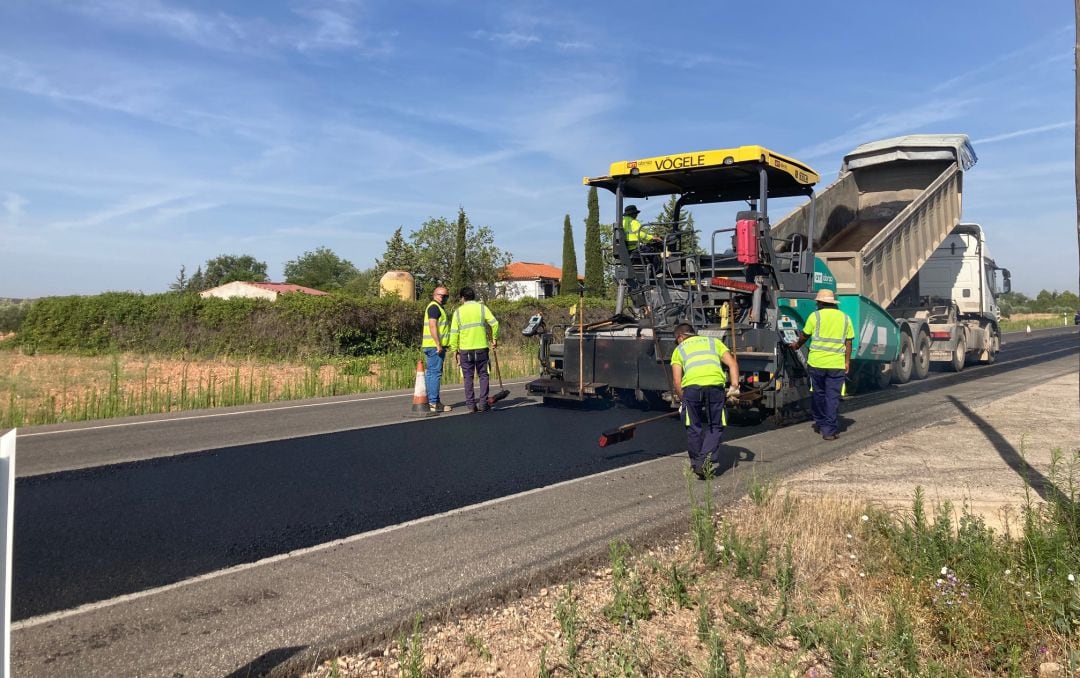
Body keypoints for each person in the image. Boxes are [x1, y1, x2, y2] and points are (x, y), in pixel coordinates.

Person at [670, 323, 741, 479]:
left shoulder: (679, 350)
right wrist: (734, 386)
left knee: (693, 426)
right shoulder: (713, 342)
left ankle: (698, 462)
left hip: (692, 389)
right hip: (715, 387)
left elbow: (677, 381)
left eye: (677, 340)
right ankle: (702, 462)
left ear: (680, 337)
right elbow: (732, 363)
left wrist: (683, 401)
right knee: (716, 425)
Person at [787, 288, 854, 441]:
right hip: (836, 365)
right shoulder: (845, 318)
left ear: (820, 303)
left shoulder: (814, 317)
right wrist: (847, 361)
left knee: (818, 394)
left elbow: (804, 335)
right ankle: (828, 429)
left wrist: (796, 345)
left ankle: (821, 421)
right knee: (832, 397)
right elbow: (848, 342)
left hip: (816, 363)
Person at [448, 286, 500, 413]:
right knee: (483, 375)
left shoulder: (458, 312)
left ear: (462, 298)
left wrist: (454, 350)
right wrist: (494, 339)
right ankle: (483, 403)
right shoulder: (482, 308)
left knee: (468, 378)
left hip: (465, 350)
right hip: (481, 348)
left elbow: (454, 333)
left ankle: (471, 405)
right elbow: (495, 323)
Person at [422, 286, 452, 413]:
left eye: (446, 296)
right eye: (442, 296)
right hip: (435, 346)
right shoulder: (434, 307)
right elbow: (432, 325)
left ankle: (430, 401)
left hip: (430, 345)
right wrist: (438, 344)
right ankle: (434, 403)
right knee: (435, 373)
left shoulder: (435, 307)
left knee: (430, 373)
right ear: (435, 295)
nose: (444, 298)